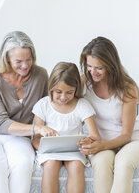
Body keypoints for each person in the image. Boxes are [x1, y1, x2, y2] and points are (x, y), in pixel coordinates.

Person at [0, 31, 58, 193]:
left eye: (28, 59)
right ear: (6, 58)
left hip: (18, 136)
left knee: (23, 162)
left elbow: (46, 108)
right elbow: (1, 123)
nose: (25, 65)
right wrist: (36, 129)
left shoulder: (41, 75)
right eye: (18, 61)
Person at [78, 36, 139, 193]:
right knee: (102, 164)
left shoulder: (127, 87)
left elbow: (126, 135)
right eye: (89, 66)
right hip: (101, 143)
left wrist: (101, 145)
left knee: (123, 163)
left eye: (99, 68)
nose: (93, 72)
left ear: (110, 65)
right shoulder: (85, 83)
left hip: (133, 141)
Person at [31, 62, 100, 193]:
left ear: (76, 89)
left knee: (76, 168)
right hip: (49, 152)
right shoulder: (43, 105)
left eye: (69, 92)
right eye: (58, 92)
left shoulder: (82, 105)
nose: (63, 97)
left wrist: (88, 142)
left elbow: (95, 136)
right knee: (50, 166)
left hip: (74, 151)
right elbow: (35, 138)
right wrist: (44, 147)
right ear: (51, 87)